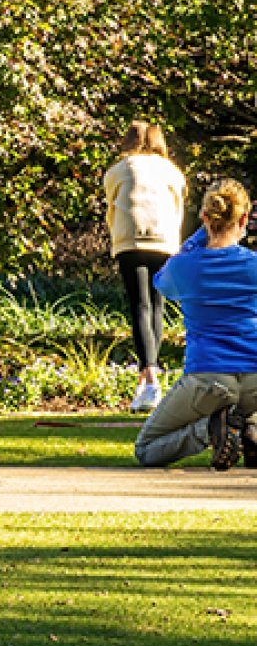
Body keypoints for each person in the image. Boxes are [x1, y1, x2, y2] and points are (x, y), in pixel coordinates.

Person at [135, 179, 257, 470]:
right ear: (244, 219)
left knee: (147, 449)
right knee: (248, 413)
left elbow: (160, 282)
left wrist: (200, 237)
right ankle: (250, 432)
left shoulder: (183, 267)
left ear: (205, 218)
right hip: (255, 376)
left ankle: (208, 429)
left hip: (208, 378)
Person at [102, 121, 186, 412]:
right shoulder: (171, 171)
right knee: (157, 305)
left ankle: (150, 379)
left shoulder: (121, 168)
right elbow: (178, 208)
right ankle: (147, 379)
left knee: (140, 306)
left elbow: (111, 201)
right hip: (163, 242)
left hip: (131, 241)